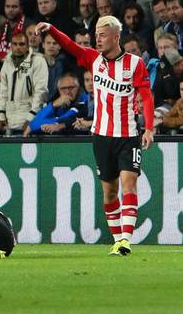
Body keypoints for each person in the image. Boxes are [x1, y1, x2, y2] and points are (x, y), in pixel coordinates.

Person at [35, 15, 155, 257]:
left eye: (102, 34)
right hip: (101, 136)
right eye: (96, 34)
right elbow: (70, 45)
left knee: (129, 182)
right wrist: (52, 28)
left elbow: (147, 96)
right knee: (109, 192)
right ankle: (117, 239)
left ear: (115, 37)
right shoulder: (93, 59)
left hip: (128, 135)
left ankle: (125, 241)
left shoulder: (134, 64)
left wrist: (149, 128)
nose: (97, 39)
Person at [0, 33, 49, 134]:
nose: (18, 47)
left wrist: (31, 118)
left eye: (21, 44)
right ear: (11, 46)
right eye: (15, 44)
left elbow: (41, 92)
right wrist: (0, 117)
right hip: (10, 119)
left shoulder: (38, 61)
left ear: (27, 46)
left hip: (30, 117)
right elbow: (3, 92)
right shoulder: (7, 63)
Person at [24, 73, 89, 136]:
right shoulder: (57, 101)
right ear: (58, 90)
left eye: (71, 87)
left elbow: (63, 121)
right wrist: (53, 105)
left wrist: (32, 126)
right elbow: (36, 119)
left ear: (78, 87)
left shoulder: (84, 101)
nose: (67, 91)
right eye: (63, 88)